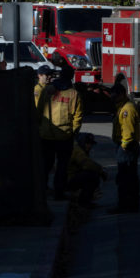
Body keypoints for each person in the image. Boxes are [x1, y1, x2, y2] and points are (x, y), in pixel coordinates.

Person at [38, 66, 83, 200]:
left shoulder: (47, 90)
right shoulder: (73, 94)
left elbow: (39, 111)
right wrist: (73, 132)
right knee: (62, 166)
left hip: (46, 135)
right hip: (64, 136)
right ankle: (59, 192)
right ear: (71, 77)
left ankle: (42, 190)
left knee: (46, 165)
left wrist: (40, 128)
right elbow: (78, 117)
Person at [109, 84, 140, 213]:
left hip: (127, 148)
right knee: (128, 177)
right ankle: (130, 204)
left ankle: (126, 205)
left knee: (125, 179)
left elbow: (128, 132)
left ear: (121, 94)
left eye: (115, 95)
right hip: (126, 147)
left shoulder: (127, 109)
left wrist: (123, 146)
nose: (113, 97)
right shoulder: (121, 107)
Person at [66, 132, 107, 209]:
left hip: (70, 177)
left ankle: (84, 199)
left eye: (91, 144)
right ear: (82, 142)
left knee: (91, 174)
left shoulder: (80, 149)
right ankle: (83, 202)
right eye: (87, 143)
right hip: (68, 179)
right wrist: (101, 170)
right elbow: (87, 164)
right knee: (92, 176)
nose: (90, 146)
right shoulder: (78, 150)